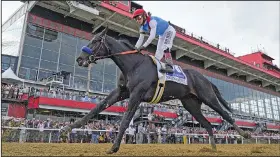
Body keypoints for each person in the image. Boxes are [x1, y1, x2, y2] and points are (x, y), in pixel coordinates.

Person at [132, 9, 176, 73]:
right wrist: (135, 48)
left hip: (169, 30)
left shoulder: (152, 22)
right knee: (158, 54)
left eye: (139, 18)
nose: (137, 20)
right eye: (135, 19)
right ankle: (155, 68)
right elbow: (140, 39)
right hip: (162, 35)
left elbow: (152, 36)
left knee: (165, 47)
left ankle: (170, 66)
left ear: (144, 16)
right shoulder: (142, 28)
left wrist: (143, 47)